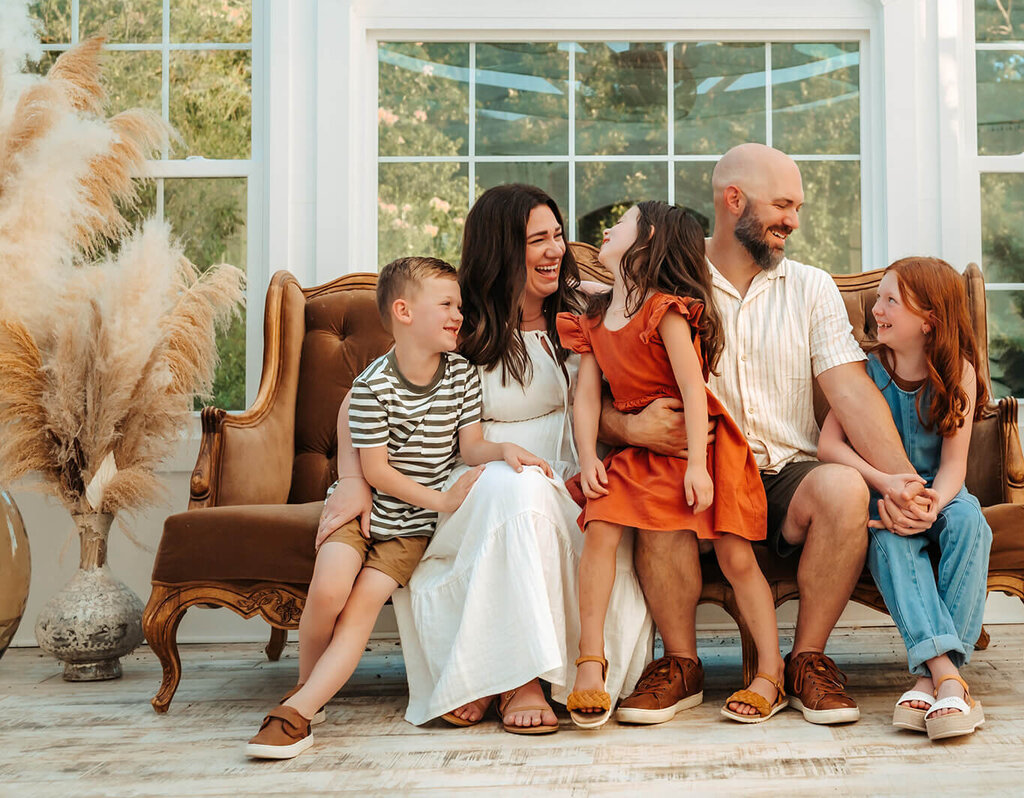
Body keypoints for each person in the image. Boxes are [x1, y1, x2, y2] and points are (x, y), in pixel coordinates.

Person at [601, 144, 932, 727]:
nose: (794, 222)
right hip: (697, 469)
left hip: (786, 475)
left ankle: (806, 662)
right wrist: (627, 426)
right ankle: (680, 665)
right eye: (783, 205)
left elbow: (852, 392)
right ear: (735, 201)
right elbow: (601, 383)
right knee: (658, 504)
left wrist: (906, 484)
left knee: (845, 489)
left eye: (797, 208)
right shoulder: (666, 281)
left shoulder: (811, 287)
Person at [320, 185, 653, 735]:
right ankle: (519, 677)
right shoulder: (460, 319)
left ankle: (495, 672)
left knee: (528, 490)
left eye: (557, 236)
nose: (556, 250)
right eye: (537, 240)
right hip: (477, 482)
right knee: (510, 487)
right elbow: (364, 393)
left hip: (571, 479)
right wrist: (352, 479)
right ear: (501, 249)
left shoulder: (584, 307)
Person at [246, 256, 552, 759]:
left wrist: (502, 451)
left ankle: (296, 715)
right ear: (404, 311)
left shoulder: (461, 376)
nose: (459, 315)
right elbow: (378, 472)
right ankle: (306, 693)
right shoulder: (372, 387)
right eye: (447, 305)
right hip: (363, 515)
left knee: (363, 604)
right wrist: (444, 500)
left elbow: (470, 446)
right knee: (327, 592)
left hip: (408, 529)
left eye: (460, 304)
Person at [559, 201, 783, 727]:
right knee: (599, 527)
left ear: (647, 241)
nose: (609, 227)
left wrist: (699, 468)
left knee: (735, 557)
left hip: (699, 445)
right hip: (640, 450)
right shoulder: (593, 317)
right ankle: (590, 664)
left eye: (624, 222)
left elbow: (692, 386)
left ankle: (770, 672)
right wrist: (589, 455)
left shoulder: (666, 309)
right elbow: (587, 398)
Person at [818, 256, 992, 741]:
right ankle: (950, 679)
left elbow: (955, 466)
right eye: (878, 299)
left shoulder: (958, 372)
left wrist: (933, 503)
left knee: (970, 522)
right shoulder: (867, 371)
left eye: (890, 300)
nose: (876, 309)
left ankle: (927, 678)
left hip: (939, 492)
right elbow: (828, 446)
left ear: (929, 319)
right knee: (889, 539)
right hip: (881, 492)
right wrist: (886, 485)